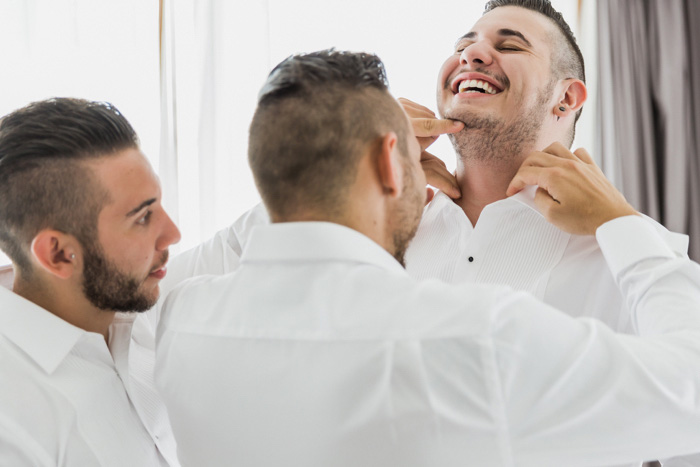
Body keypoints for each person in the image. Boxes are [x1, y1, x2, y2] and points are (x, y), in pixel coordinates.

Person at [156, 49, 700, 467]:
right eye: (463, 44)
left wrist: (318, 170)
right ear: (391, 164)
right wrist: (625, 226)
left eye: (507, 43)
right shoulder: (477, 335)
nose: (472, 55)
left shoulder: (180, 318)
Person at [0, 98, 181, 466]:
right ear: (59, 255)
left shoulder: (131, 299)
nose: (173, 235)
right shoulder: (14, 425)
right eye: (143, 217)